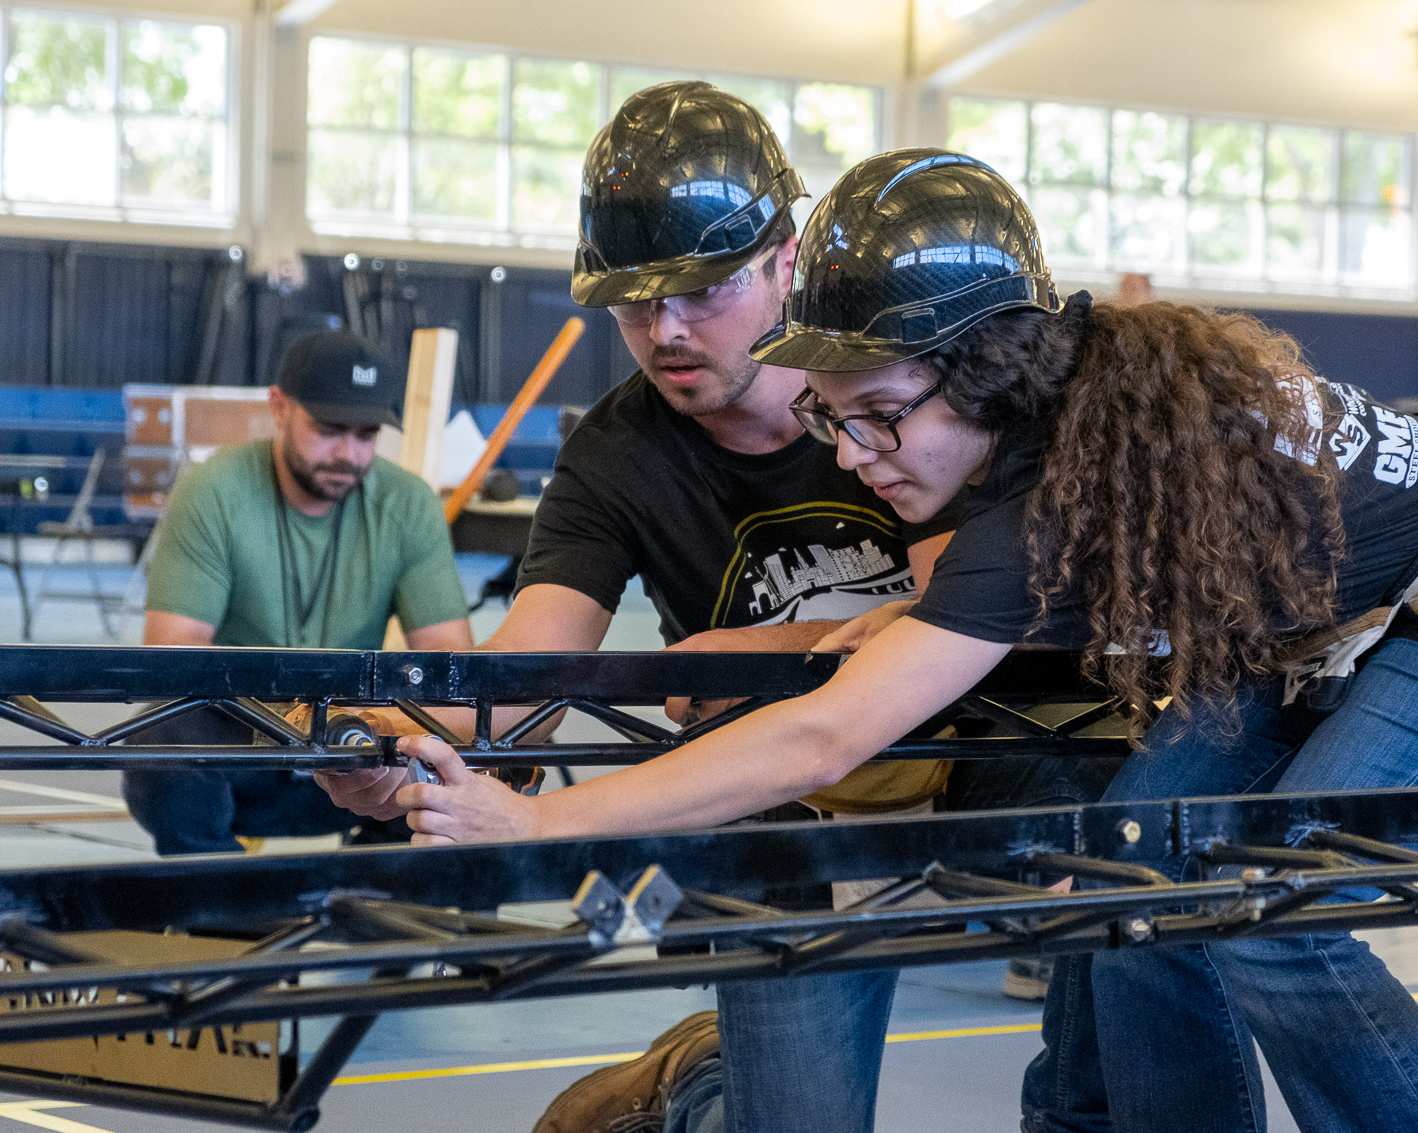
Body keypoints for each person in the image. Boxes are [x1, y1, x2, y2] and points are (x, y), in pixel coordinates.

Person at [381, 148, 1418, 1133]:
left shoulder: (1052, 500)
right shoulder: (1068, 419)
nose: (861, 458)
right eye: (838, 423)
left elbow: (823, 736)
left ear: (984, 368)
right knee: (1139, 873)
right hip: (1307, 643)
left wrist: (531, 826)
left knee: (1280, 904)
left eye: (879, 416)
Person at [321, 132, 1116, 1133]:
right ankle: (712, 1085)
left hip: (986, 743)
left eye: (705, 290)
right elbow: (529, 663)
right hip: (778, 794)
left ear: (787, 258)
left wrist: (756, 655)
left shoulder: (918, 389)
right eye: (633, 301)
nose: (666, 329)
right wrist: (406, 743)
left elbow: (944, 619)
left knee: (1127, 876)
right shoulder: (615, 450)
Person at [123, 330, 472, 856]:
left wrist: (375, 724)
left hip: (359, 753)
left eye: (366, 434)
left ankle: (372, 898)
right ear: (279, 406)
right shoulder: (214, 489)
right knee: (160, 746)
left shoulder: (407, 504)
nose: (348, 454)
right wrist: (295, 713)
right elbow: (174, 655)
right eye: (329, 429)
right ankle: (227, 911)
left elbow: (453, 666)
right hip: (244, 752)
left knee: (480, 743)